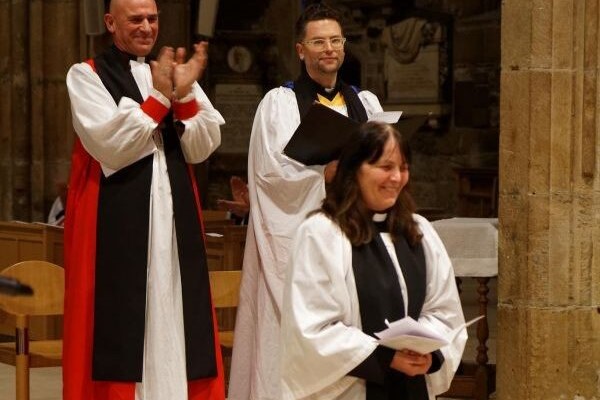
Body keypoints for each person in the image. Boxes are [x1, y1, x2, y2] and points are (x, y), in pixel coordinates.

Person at [63, 0, 226, 399]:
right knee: (123, 324)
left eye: (152, 18)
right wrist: (160, 98)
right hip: (116, 222)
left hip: (172, 222)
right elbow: (111, 145)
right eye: (135, 19)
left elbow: (204, 144)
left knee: (175, 314)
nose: (146, 27)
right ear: (110, 23)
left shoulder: (172, 73)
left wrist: (184, 95)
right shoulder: (86, 75)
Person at [228, 2, 384, 399]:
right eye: (318, 42)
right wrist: (323, 176)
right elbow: (268, 177)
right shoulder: (277, 105)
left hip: (354, 237)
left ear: (344, 47)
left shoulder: (366, 104)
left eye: (335, 40)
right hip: (298, 236)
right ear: (301, 50)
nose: (328, 49)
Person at [280, 121, 466, 400]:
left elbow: (443, 310)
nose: (396, 178)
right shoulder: (322, 234)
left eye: (403, 168)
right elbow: (312, 327)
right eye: (385, 167)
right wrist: (384, 357)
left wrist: (429, 354)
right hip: (353, 389)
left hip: (410, 386)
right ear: (355, 169)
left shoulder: (418, 231)